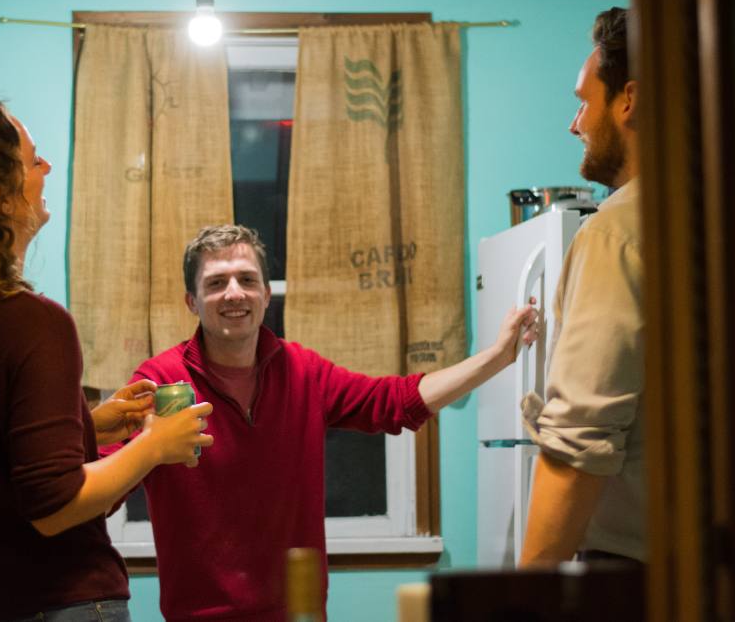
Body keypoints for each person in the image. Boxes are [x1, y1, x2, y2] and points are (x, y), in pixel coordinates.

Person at [114, 223, 537, 621]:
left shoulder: (303, 371)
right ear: (191, 301)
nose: (234, 294)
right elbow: (104, 480)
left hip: (299, 614)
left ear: (265, 293)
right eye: (215, 283)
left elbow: (395, 401)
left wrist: (498, 357)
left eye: (247, 279)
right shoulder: (161, 382)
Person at [0, 102, 213, 622]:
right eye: (33, 160)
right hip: (57, 602)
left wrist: (88, 425)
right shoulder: (36, 323)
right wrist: (156, 446)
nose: (47, 170)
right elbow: (53, 505)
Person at [519, 7, 643, 566]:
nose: (576, 123)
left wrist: (519, 599)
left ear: (628, 100)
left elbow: (579, 442)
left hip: (631, 572)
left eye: (584, 100)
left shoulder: (617, 231)